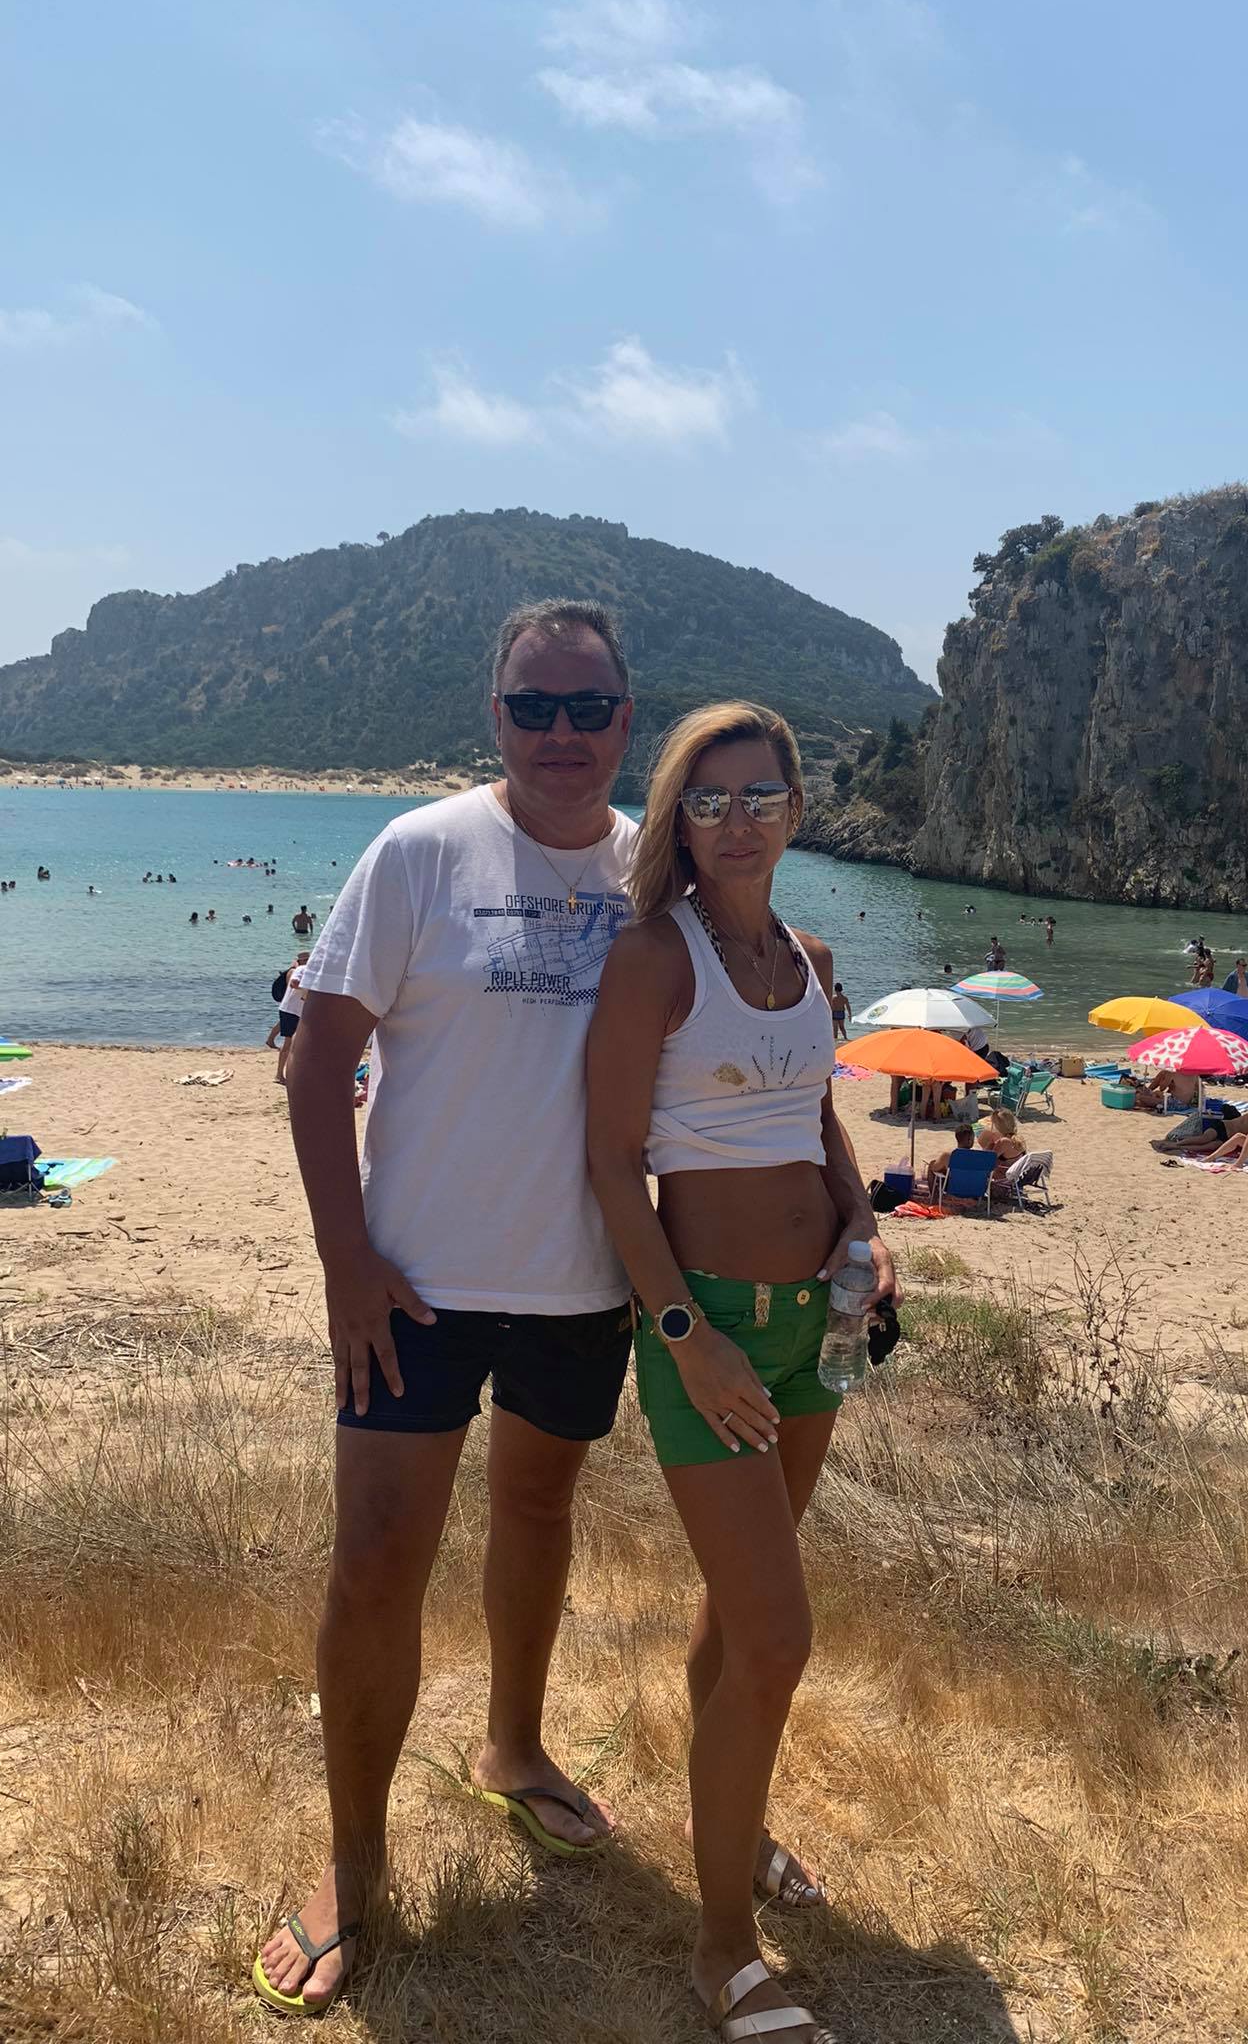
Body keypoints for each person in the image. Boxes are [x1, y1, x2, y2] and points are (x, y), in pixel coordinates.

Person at [254, 600, 638, 2016]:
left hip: (583, 1282)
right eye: (533, 706)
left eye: (585, 706)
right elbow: (318, 1063)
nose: (559, 732)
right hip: (409, 1286)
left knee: (540, 1514)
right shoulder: (418, 851)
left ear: (626, 719)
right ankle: (354, 1867)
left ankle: (512, 1749)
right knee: (374, 1566)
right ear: (496, 718)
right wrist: (344, 1263)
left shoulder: (651, 868)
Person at [586, 700, 897, 2044]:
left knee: (736, 1614)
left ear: (796, 810)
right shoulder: (654, 957)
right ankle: (722, 1949)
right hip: (707, 1325)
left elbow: (815, 1111)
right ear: (678, 817)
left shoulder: (810, 958)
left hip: (814, 1321)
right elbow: (612, 1165)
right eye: (708, 800)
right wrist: (683, 1333)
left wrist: (866, 1223)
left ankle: (736, 1826)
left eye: (760, 795)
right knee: (778, 1634)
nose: (736, 821)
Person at [273, 951, 311, 1077]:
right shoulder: (301, 969)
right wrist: (310, 987)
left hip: (299, 1011)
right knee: (288, 1043)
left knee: (299, 1042)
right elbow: (294, 983)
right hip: (290, 1010)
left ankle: (294, 1072)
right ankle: (279, 1074)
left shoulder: (310, 971)